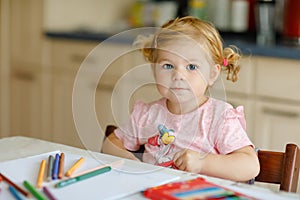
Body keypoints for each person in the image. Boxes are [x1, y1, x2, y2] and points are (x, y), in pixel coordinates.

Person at [102, 16, 260, 182]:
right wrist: (132, 162)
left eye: (191, 67)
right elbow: (110, 143)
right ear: (154, 70)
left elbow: (250, 166)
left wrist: (202, 163)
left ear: (212, 74)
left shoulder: (220, 118)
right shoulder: (147, 114)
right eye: (168, 66)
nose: (178, 75)